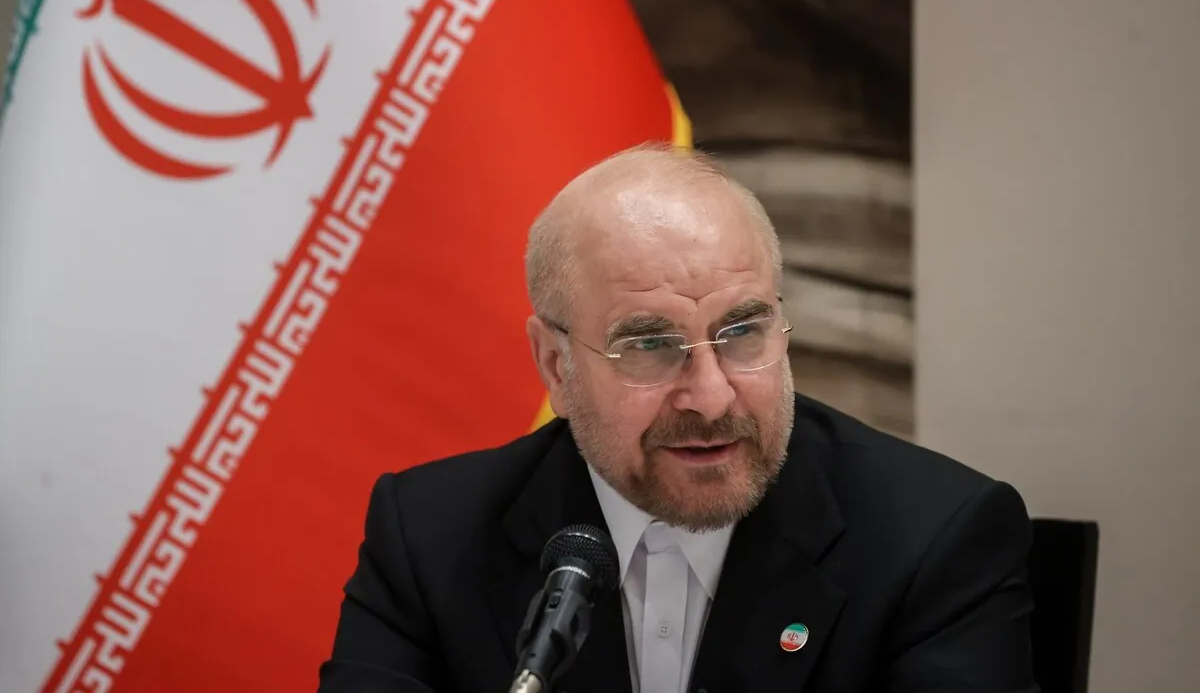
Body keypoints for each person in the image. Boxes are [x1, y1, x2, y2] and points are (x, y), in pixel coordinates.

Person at [317, 144, 1038, 693]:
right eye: (649, 345)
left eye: (743, 333)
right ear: (557, 366)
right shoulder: (430, 537)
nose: (711, 397)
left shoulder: (934, 541)